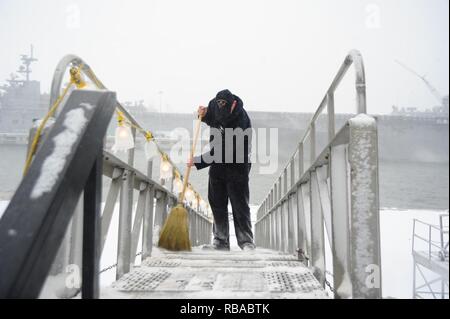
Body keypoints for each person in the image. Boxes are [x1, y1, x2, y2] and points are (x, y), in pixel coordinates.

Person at [187, 89, 256, 251]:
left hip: (237, 164)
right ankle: (220, 241)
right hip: (218, 168)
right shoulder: (214, 106)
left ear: (232, 105)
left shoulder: (242, 120)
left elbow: (224, 151)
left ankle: (246, 241)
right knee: (217, 203)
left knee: (239, 205)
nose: (220, 113)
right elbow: (211, 118)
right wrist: (202, 115)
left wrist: (199, 161)